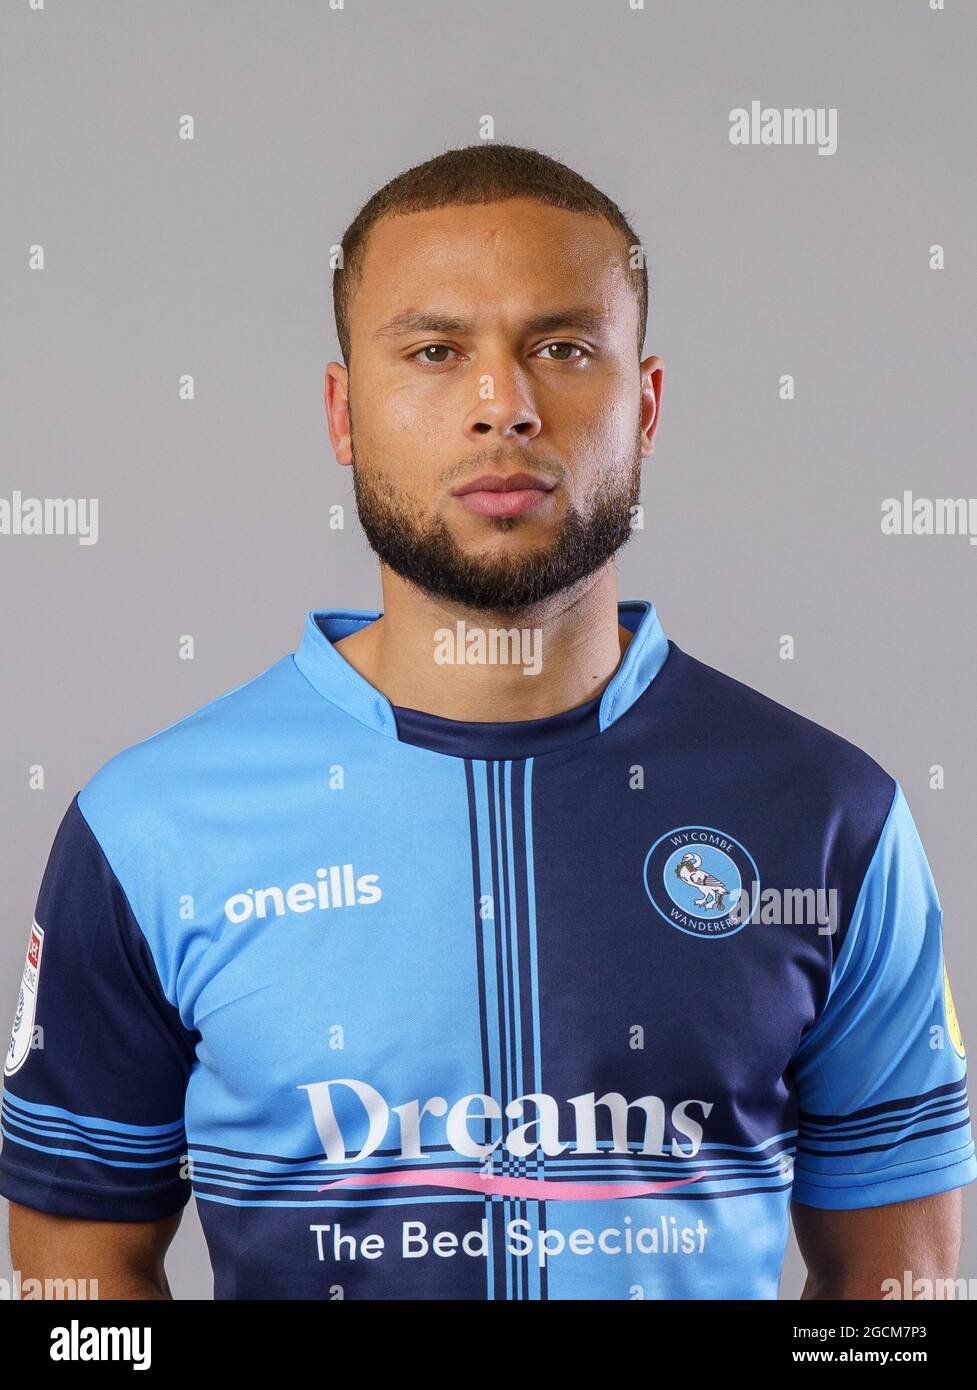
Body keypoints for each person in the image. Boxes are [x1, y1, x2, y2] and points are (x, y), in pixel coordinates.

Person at [2, 144, 974, 1301]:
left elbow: (896, 1293)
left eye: (561, 349)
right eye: (434, 351)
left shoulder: (830, 818)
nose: (501, 406)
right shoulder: (148, 829)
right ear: (342, 413)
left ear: (645, 404)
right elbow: (77, 1275)